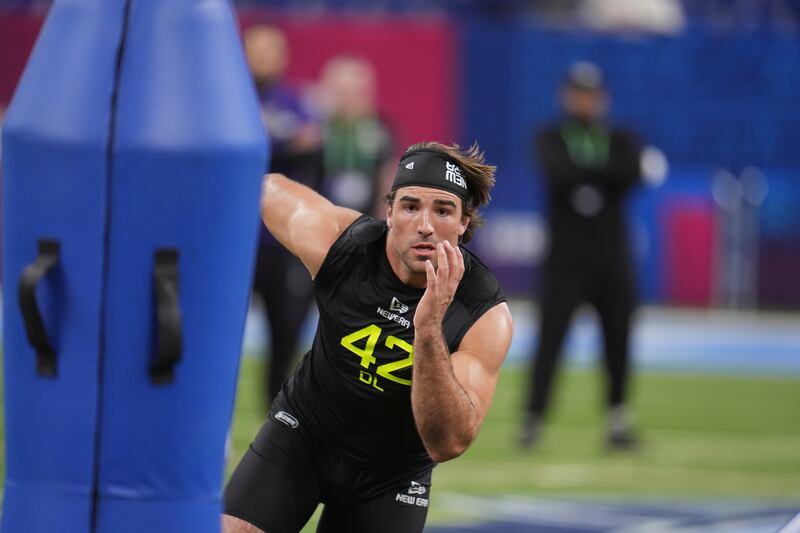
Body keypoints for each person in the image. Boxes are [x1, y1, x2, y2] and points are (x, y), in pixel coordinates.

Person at [223, 141, 513, 533]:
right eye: (411, 206)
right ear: (389, 211)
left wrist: (427, 329)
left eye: (443, 210)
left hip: (392, 476)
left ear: (463, 223)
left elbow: (448, 443)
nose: (425, 225)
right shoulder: (342, 246)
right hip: (303, 434)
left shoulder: (483, 312)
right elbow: (269, 189)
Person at [520, 62, 643, 450]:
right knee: (551, 337)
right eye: (578, 93)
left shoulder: (620, 136)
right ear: (566, 96)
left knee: (618, 337)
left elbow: (630, 172)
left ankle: (619, 418)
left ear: (602, 98)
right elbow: (559, 171)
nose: (585, 101)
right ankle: (533, 419)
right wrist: (600, 174)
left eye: (591, 94)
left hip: (611, 255)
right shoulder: (551, 135)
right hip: (566, 257)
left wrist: (588, 172)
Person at [243, 24, 324, 407]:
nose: (264, 59)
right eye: (257, 50)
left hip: (281, 239)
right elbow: (250, 153)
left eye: (271, 50)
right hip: (237, 239)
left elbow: (311, 154)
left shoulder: (294, 102)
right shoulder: (231, 100)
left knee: (286, 330)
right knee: (217, 332)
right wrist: (288, 146)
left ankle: (275, 413)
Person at [318, 55, 395, 217]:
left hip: (368, 219)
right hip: (323, 218)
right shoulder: (318, 127)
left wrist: (384, 221)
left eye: (357, 91)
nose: (349, 98)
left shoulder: (381, 126)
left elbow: (388, 176)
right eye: (342, 92)